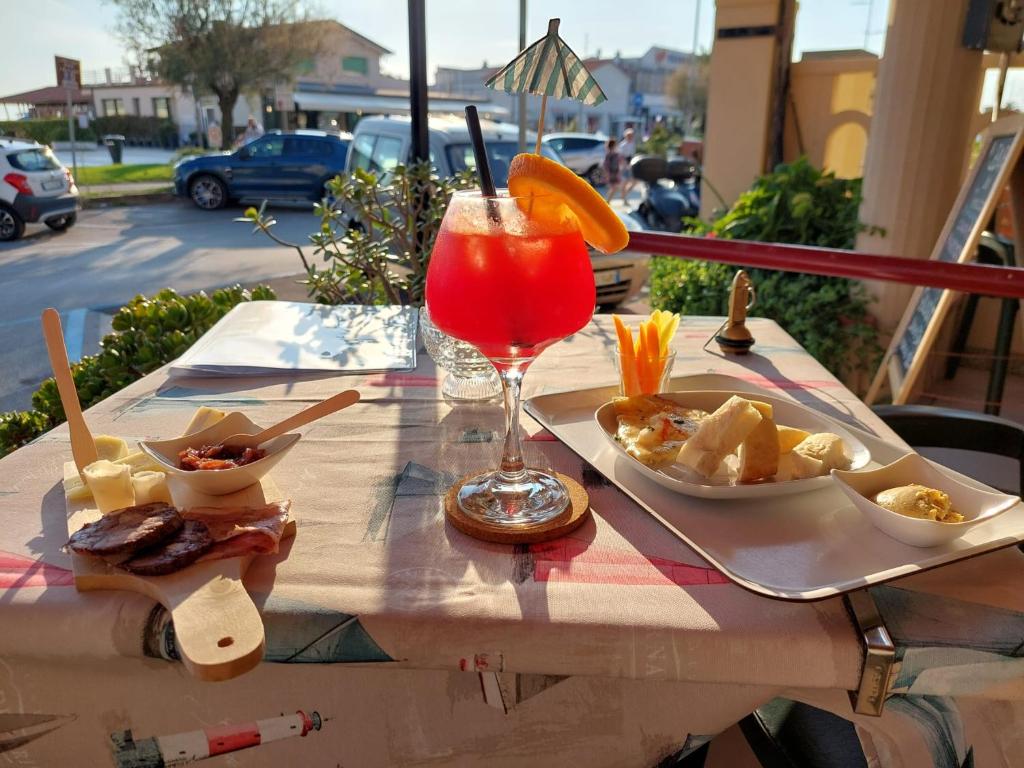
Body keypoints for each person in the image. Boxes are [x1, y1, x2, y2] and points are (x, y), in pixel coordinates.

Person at [618, 126, 637, 202]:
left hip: (631, 164)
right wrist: (625, 165)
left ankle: (624, 195)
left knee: (634, 181)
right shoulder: (623, 145)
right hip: (625, 165)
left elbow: (632, 155)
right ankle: (624, 198)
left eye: (632, 135)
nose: (631, 137)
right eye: (629, 135)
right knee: (624, 182)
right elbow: (621, 156)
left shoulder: (632, 144)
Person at [602, 138, 623, 202]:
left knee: (614, 188)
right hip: (611, 172)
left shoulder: (615, 153)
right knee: (614, 188)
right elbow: (606, 165)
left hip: (615, 172)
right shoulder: (609, 154)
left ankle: (607, 200)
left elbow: (618, 163)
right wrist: (607, 174)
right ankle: (607, 201)